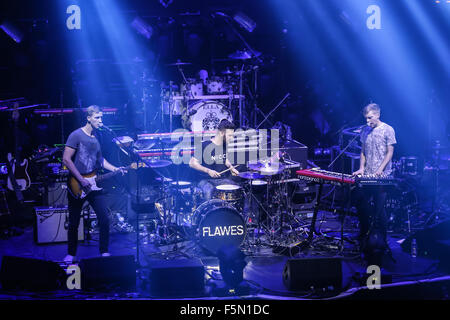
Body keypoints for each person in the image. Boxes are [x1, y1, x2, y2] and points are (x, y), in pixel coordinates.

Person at [62, 105, 125, 264]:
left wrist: (116, 168)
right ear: (88, 118)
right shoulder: (76, 135)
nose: (100, 120)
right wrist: (81, 179)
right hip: (77, 183)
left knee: (104, 218)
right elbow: (66, 159)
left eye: (101, 117)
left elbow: (101, 161)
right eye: (97, 117)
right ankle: (71, 254)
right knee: (74, 221)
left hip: (93, 183)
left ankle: (104, 251)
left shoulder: (97, 138)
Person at [352, 103, 397, 265]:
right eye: (366, 118)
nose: (368, 121)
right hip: (368, 174)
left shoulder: (388, 129)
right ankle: (364, 235)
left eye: (370, 117)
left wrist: (380, 169)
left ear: (377, 114)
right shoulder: (365, 130)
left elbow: (390, 152)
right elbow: (362, 150)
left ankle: (382, 240)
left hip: (382, 175)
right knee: (361, 204)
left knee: (380, 209)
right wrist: (361, 168)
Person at [189, 119, 240, 200]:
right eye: (230, 135)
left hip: (221, 179)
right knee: (209, 190)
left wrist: (232, 168)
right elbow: (192, 163)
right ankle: (211, 212)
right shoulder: (204, 145)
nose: (232, 138)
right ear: (221, 133)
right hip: (205, 180)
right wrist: (208, 171)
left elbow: (225, 159)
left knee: (236, 187)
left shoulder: (224, 145)